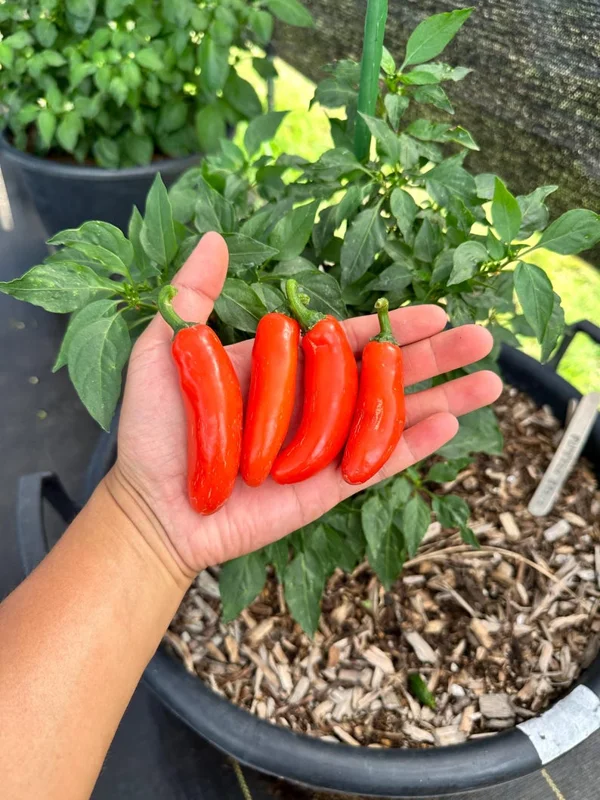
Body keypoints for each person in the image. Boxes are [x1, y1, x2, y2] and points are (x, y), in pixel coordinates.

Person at [0, 233, 502, 799]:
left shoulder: (287, 342)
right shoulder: (216, 348)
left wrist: (147, 531)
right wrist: (146, 523)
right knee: (274, 418)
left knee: (301, 424)